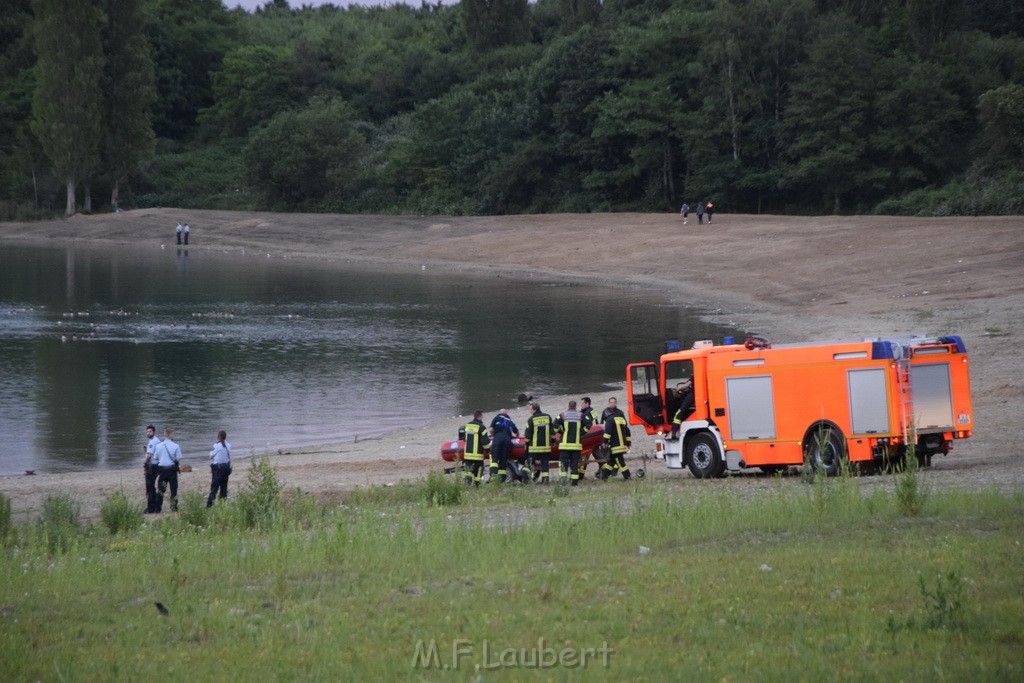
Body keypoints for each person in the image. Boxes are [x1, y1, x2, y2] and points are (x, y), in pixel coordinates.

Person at [153, 427, 183, 512]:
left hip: (162, 470)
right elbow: (178, 458)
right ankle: (174, 507)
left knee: (161, 490)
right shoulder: (176, 446)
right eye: (173, 434)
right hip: (172, 470)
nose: (174, 435)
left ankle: (158, 508)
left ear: (165, 435)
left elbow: (155, 458)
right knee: (173, 490)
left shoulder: (158, 446)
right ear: (170, 435)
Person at [554, 401, 583, 486]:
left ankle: (563, 481)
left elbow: (554, 425)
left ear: (568, 406)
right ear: (575, 406)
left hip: (565, 445)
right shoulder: (580, 415)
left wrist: (561, 432)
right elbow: (588, 425)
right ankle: (574, 482)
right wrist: (581, 432)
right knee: (574, 464)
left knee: (563, 463)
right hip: (576, 445)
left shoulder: (563, 415)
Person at [524, 402, 553, 484]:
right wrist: (553, 442)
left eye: (530, 409)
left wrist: (526, 445)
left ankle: (528, 480)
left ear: (534, 409)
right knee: (545, 465)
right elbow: (552, 432)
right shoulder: (548, 417)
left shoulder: (531, 419)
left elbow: (528, 436)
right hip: (546, 448)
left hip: (534, 449)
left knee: (529, 464)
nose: (529, 411)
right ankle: (545, 480)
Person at [488, 409, 519, 483]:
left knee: (494, 459)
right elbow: (517, 432)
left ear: (499, 413)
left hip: (498, 438)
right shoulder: (509, 421)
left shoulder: (496, 418)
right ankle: (502, 479)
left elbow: (491, 429)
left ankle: (493, 478)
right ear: (506, 414)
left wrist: (493, 435)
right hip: (507, 440)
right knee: (503, 459)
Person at [601, 410, 633, 480]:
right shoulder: (621, 419)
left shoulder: (609, 420)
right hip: (622, 445)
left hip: (616, 446)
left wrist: (604, 443)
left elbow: (607, 433)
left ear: (607, 414)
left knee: (620, 462)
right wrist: (628, 443)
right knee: (611, 462)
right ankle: (604, 476)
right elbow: (627, 432)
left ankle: (628, 477)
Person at [461, 411, 489, 486]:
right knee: (478, 474)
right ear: (480, 416)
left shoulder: (467, 426)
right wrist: (489, 451)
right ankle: (477, 487)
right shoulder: (482, 427)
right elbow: (485, 442)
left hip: (468, 455)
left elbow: (464, 438)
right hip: (478, 456)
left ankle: (467, 484)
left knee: (469, 472)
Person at [207, 430, 232, 507]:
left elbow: (211, 456)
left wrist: (211, 455)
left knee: (214, 487)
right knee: (224, 486)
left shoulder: (217, 445)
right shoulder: (229, 445)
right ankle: (223, 504)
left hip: (218, 468)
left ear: (218, 437)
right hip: (226, 468)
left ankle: (210, 504)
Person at [578, 397, 599, 479]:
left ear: (587, 403)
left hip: (589, 438)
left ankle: (580, 476)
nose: (581, 404)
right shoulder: (592, 410)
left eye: (582, 403)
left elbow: (588, 426)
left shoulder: (586, 413)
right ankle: (604, 472)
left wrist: (581, 433)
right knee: (598, 456)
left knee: (584, 457)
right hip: (595, 437)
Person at [144, 424, 160, 514]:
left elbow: (149, 455)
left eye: (150, 431)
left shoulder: (153, 441)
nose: (148, 433)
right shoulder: (155, 440)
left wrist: (145, 462)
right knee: (152, 486)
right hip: (156, 465)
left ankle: (151, 507)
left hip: (152, 466)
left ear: (154, 432)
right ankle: (153, 505)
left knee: (150, 486)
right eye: (147, 432)